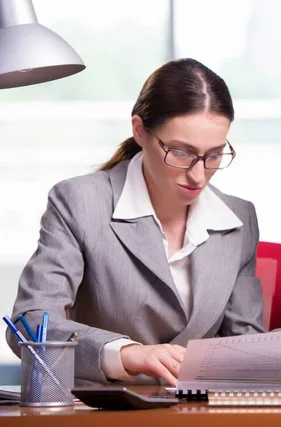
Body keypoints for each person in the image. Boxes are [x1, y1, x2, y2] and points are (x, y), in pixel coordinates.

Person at [6, 58, 264, 386]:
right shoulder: (79, 202)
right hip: (101, 412)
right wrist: (127, 353)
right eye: (181, 153)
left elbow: (244, 342)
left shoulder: (240, 219)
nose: (199, 175)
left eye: (214, 155)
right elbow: (29, 325)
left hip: (199, 414)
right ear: (140, 131)